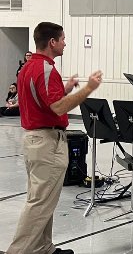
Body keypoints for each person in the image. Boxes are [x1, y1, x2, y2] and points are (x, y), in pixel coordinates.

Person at [6, 21, 102, 254]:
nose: (65, 43)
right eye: (63, 39)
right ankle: (18, 251)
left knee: (43, 198)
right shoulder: (46, 69)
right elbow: (58, 108)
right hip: (46, 142)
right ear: (52, 42)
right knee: (39, 203)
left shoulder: (29, 67)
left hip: (34, 140)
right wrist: (88, 88)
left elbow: (44, 102)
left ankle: (42, 247)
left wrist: (66, 87)